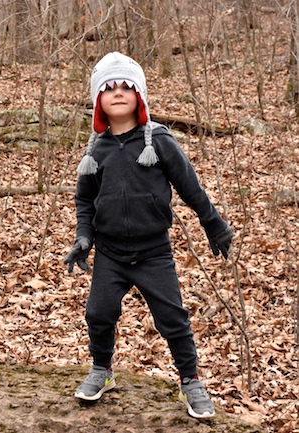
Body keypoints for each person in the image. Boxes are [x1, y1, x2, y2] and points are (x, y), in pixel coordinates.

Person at [64, 52, 233, 419]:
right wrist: (83, 237)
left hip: (154, 252)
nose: (119, 93)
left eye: (127, 86)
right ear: (98, 101)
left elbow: (190, 186)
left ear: (139, 94)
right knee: (98, 313)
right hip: (110, 254)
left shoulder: (158, 141)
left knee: (173, 318)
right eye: (110, 88)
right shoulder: (96, 150)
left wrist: (213, 224)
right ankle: (101, 370)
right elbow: (84, 200)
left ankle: (191, 381)